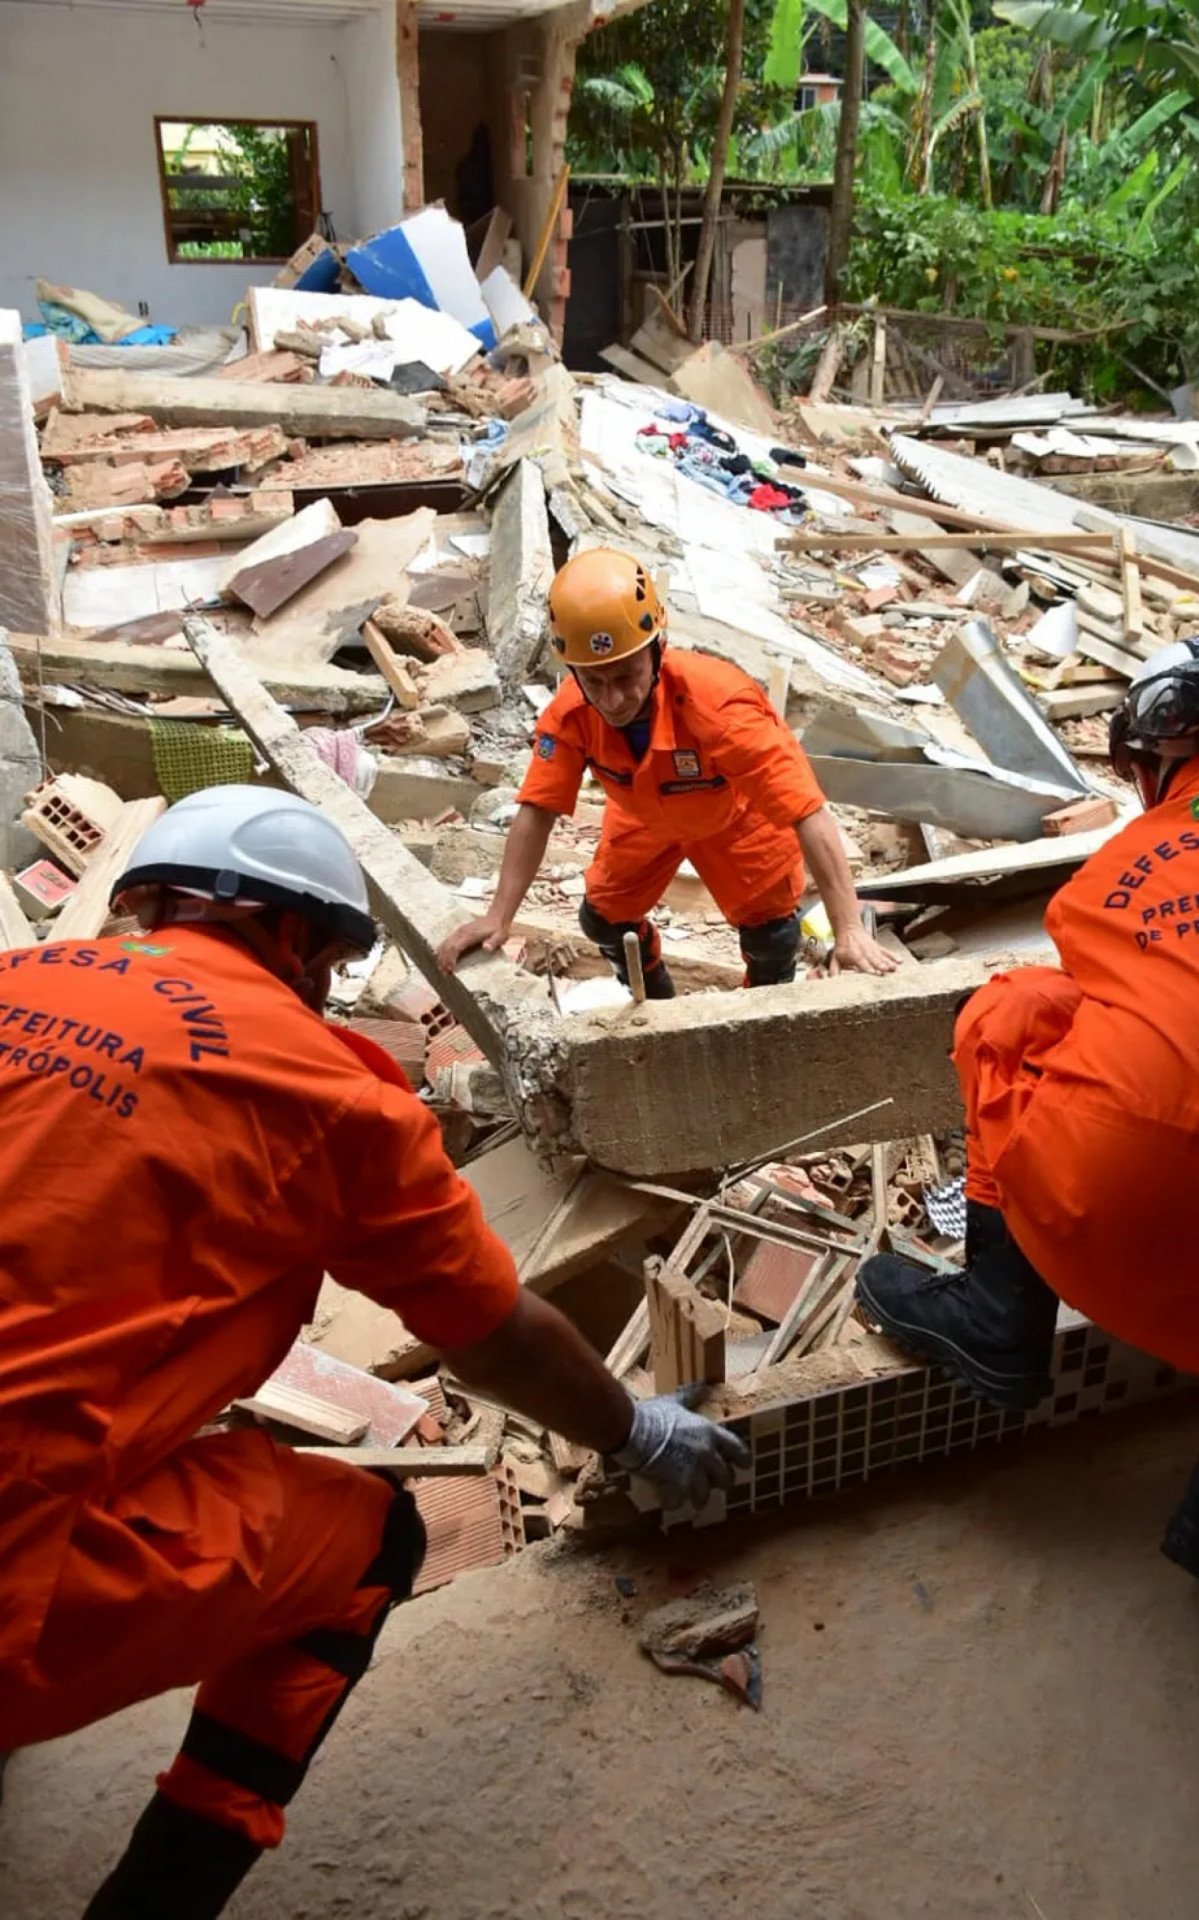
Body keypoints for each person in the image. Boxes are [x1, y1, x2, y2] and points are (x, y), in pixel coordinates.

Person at [0, 786, 746, 1918]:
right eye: (331, 966)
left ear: (145, 900)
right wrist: (634, 1429)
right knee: (369, 1541)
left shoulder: (14, 983)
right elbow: (492, 1338)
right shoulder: (325, 1095)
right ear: (295, 938)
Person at [855, 639, 1199, 1569]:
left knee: (1014, 1009)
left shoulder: (1122, 864)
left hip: (1114, 1210)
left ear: (1157, 757)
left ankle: (998, 1317)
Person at [437, 547, 897, 992]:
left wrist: (848, 929)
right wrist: (499, 915)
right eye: (594, 681)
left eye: (626, 677)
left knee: (773, 939)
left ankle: (757, 1017)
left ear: (658, 649)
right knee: (603, 920)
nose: (612, 700)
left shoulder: (720, 706)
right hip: (644, 819)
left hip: (737, 822)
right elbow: (536, 809)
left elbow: (807, 811)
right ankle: (653, 1002)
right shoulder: (572, 715)